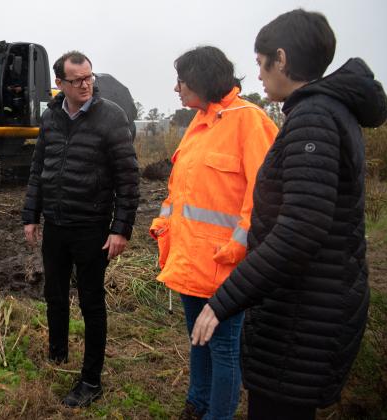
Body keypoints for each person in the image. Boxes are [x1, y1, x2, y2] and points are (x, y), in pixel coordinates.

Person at [191, 9, 387, 419]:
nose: (258, 76)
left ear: (280, 58)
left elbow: (299, 229)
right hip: (311, 303)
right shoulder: (327, 112)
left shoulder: (313, 119)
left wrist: (224, 299)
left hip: (304, 314)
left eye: (261, 61)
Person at [149, 46, 278, 420]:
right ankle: (197, 404)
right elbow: (183, 189)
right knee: (197, 338)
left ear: (202, 81)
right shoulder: (200, 121)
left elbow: (265, 194)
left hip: (226, 265)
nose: (176, 89)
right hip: (190, 260)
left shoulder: (249, 121)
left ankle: (216, 415)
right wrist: (163, 224)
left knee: (223, 348)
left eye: (182, 81)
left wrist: (240, 246)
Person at [22, 50, 139, 408]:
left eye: (89, 78)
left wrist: (120, 229)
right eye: (78, 80)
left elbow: (128, 179)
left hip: (91, 227)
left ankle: (91, 380)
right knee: (54, 295)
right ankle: (57, 353)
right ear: (60, 84)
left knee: (91, 302)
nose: (86, 84)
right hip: (56, 226)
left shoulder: (110, 117)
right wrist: (31, 215)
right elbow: (39, 167)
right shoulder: (51, 117)